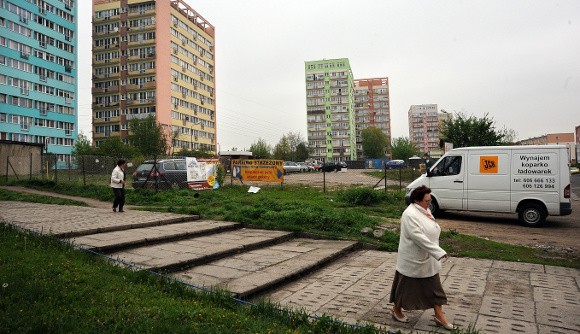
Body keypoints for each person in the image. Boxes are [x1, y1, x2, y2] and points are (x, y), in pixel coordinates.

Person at [389, 185, 456, 330]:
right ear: (417, 200)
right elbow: (418, 237)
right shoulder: (410, 214)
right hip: (413, 260)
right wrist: (438, 251)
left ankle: (439, 316)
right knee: (404, 289)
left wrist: (435, 251)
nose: (429, 203)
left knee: (435, 288)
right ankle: (396, 309)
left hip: (428, 258)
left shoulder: (424, 210)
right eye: (427, 201)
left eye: (430, 200)